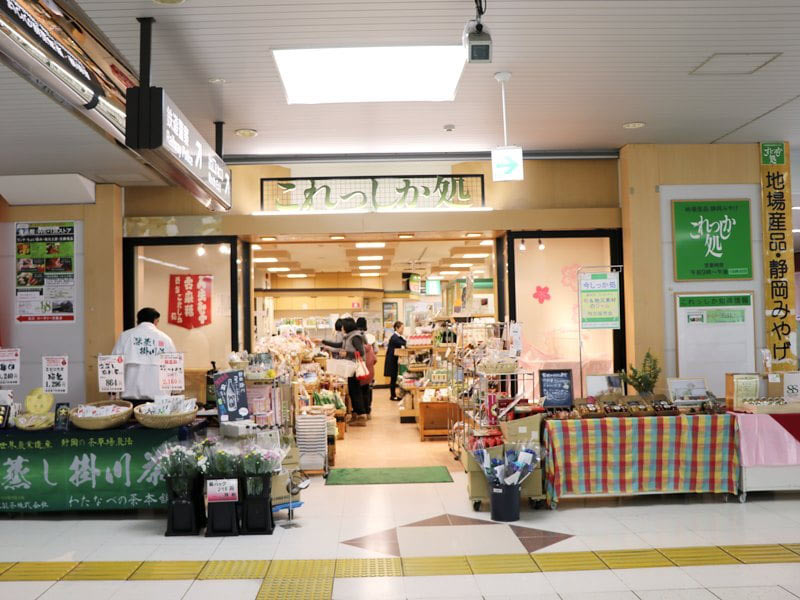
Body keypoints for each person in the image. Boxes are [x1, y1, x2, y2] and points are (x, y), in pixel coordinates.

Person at [111, 307, 176, 402]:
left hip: (130, 399)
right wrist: (175, 390)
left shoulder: (125, 336)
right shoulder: (166, 339)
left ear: (138, 321)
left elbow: (114, 364)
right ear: (156, 321)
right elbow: (173, 367)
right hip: (159, 400)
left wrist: (112, 392)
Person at [323, 317, 368, 426]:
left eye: (343, 326)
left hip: (354, 368)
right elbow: (339, 346)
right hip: (350, 368)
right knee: (353, 391)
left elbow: (361, 352)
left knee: (356, 391)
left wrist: (347, 354)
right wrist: (323, 342)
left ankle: (361, 415)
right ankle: (356, 414)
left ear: (347, 327)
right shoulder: (348, 337)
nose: (341, 328)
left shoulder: (355, 337)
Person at [356, 317, 377, 419]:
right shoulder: (371, 337)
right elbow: (376, 351)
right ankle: (368, 410)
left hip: (360, 367)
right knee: (368, 389)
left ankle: (362, 411)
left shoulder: (355, 336)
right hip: (369, 366)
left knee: (359, 390)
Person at [384, 321, 407, 401]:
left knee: (393, 378)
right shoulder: (394, 337)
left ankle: (393, 395)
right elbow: (404, 343)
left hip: (393, 360)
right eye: (402, 328)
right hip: (391, 361)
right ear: (397, 328)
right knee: (393, 378)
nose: (403, 330)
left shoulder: (397, 336)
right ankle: (392, 396)